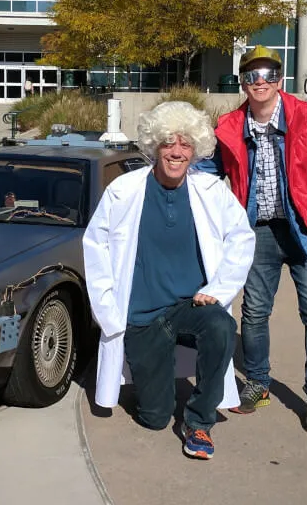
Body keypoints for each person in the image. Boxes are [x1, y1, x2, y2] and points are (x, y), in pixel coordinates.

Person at [84, 101, 256, 460]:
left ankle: (199, 421)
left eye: (185, 145)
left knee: (222, 325)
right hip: (142, 317)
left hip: (190, 306)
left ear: (196, 149)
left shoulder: (211, 191)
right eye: (168, 144)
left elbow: (242, 238)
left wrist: (218, 290)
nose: (177, 152)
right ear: (154, 146)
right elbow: (95, 246)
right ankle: (152, 385)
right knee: (155, 419)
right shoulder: (124, 190)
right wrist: (107, 310)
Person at [195, 45, 307, 435]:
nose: (259, 82)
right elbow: (206, 172)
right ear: (243, 83)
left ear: (280, 79)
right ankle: (259, 383)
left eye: (267, 74)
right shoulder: (229, 127)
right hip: (257, 232)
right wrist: (166, 164)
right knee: (254, 314)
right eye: (251, 75)